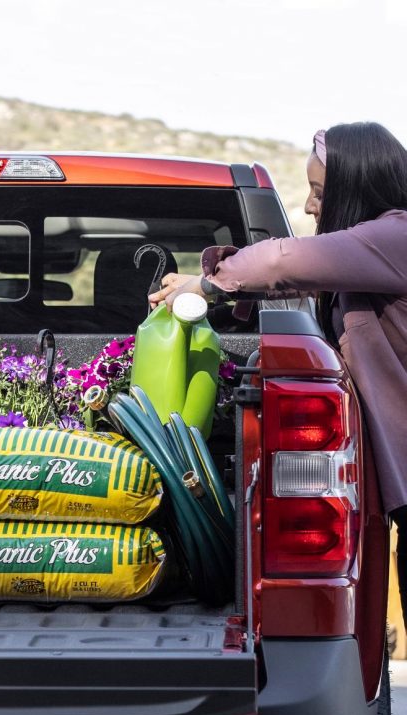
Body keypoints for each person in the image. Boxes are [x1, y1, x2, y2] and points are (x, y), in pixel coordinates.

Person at [149, 121, 407, 621]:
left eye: (319, 192)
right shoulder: (374, 256)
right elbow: (289, 279)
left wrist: (208, 285)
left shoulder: (397, 237)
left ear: (358, 188)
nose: (310, 206)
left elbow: (282, 259)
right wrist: (206, 286)